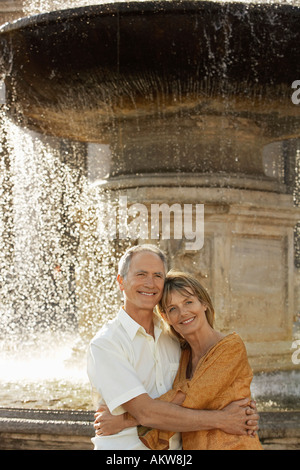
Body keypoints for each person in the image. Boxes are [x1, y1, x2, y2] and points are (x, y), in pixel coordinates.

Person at [88, 244, 259, 450]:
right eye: (141, 274)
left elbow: (194, 394)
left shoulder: (174, 339)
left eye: (158, 275)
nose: (150, 283)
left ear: (203, 303)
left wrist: (125, 419)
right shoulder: (107, 344)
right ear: (121, 281)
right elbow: (149, 411)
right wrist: (224, 418)